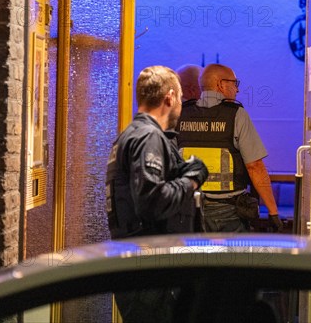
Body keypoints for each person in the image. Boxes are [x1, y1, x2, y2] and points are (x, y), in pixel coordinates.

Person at [105, 65, 208, 323]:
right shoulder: (148, 137)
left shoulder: (131, 136)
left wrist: (179, 171)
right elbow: (151, 201)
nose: (182, 104)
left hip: (142, 270)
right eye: (181, 98)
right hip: (150, 276)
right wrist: (191, 181)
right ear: (170, 97)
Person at [176, 63, 283, 233]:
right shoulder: (236, 115)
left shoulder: (180, 114)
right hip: (227, 212)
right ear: (220, 85)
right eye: (235, 83)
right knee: (229, 259)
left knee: (193, 258)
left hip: (188, 210)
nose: (237, 90)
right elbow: (254, 166)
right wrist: (273, 212)